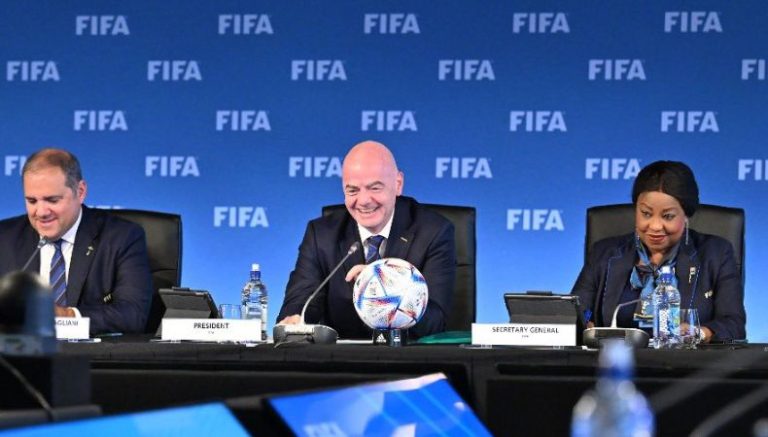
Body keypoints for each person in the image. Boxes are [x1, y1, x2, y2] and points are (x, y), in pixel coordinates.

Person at [277, 140, 456, 339]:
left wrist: (381, 285)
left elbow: (435, 321)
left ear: (398, 184)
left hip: (406, 355)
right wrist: (294, 320)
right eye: (352, 190)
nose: (363, 201)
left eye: (375, 188)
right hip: (340, 356)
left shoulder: (433, 231)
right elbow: (301, 300)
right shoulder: (321, 234)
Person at [572, 160, 746, 342]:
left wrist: (700, 333)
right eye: (646, 213)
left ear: (686, 215)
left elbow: (733, 324)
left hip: (685, 358)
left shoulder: (715, 254)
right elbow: (579, 311)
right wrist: (584, 324)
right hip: (614, 356)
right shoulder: (604, 253)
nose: (655, 226)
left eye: (668, 216)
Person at [0, 148, 153, 334]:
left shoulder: (121, 237)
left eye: (52, 200)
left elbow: (133, 315)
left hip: (92, 352)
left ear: (80, 192)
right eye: (32, 201)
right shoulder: (5, 238)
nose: (41, 212)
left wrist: (66, 316)